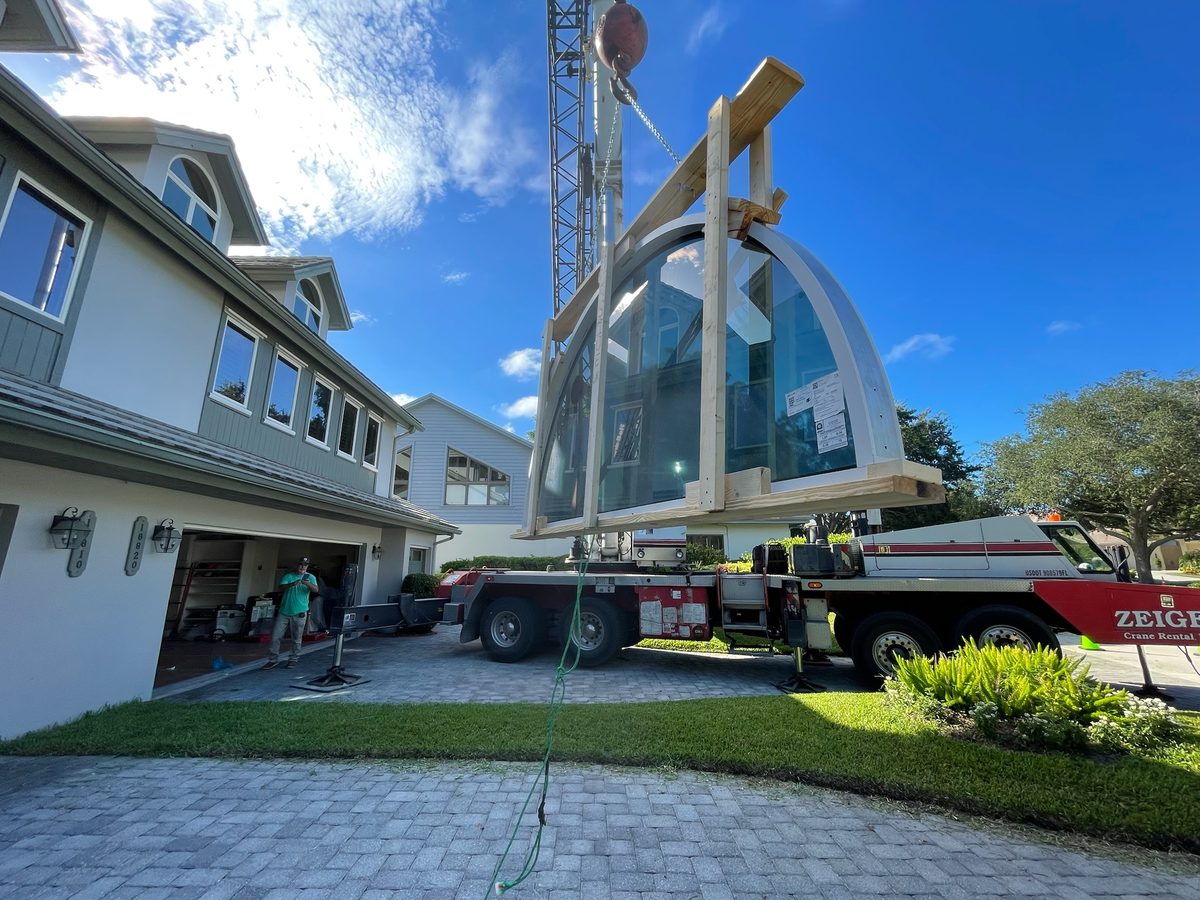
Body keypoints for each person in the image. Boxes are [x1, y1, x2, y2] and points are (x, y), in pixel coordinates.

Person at [263, 557, 318, 669]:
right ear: (297, 565)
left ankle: (293, 659)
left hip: (300, 612)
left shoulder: (310, 577)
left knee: (296, 637)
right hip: (284, 611)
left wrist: (306, 583)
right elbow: (281, 587)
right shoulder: (289, 576)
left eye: (305, 565)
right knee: (276, 636)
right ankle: (273, 659)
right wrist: (292, 584)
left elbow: (316, 590)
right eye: (301, 564)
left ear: (307, 567)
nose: (303, 567)